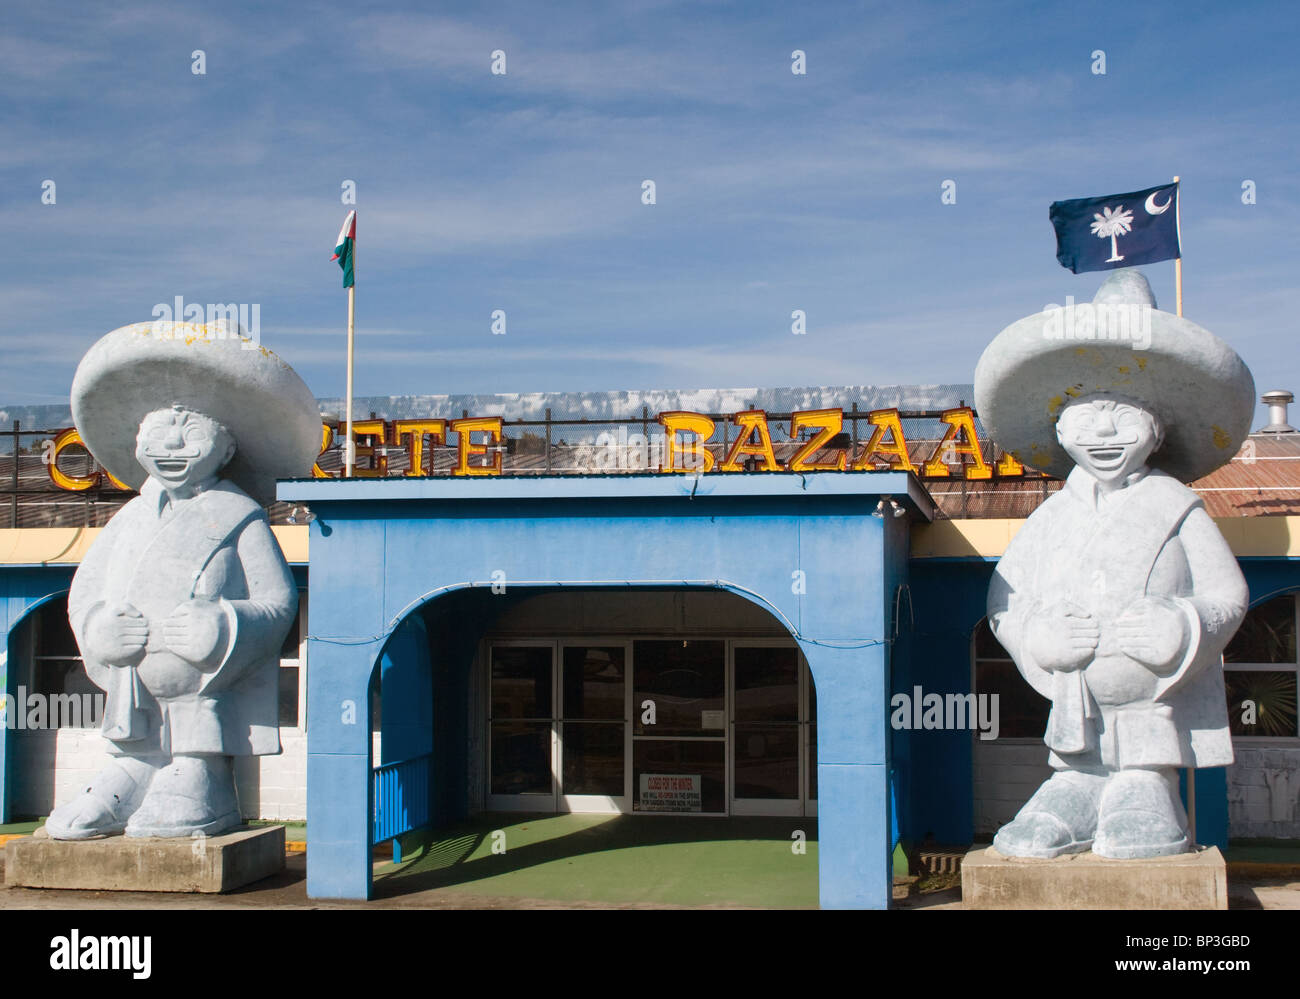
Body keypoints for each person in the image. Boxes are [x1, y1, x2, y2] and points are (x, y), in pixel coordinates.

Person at [973, 268, 1255, 859]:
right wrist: (1035, 635)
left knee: (1141, 789)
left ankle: (1146, 787)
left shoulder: (1175, 505)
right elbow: (1005, 599)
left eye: (1123, 417)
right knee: (1060, 797)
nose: (1104, 432)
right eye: (1085, 417)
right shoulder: (1051, 516)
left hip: (1153, 703)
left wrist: (1181, 625)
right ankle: (1078, 785)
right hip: (1075, 702)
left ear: (1157, 431)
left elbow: (1228, 594)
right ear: (1060, 428)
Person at [44, 321, 321, 839]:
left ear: (226, 449)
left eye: (192, 435)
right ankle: (133, 768)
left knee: (197, 730)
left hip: (202, 687)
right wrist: (100, 627)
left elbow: (277, 600)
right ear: (138, 443)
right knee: (130, 742)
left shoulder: (239, 515)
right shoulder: (127, 518)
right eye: (158, 435)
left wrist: (223, 623)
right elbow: (85, 592)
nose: (173, 446)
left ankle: (200, 775)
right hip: (132, 683)